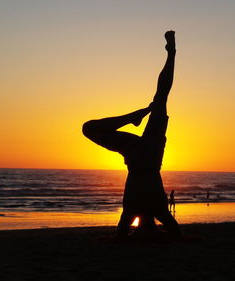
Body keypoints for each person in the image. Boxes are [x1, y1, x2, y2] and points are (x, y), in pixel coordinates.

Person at [82, 31, 182, 239]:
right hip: (146, 156)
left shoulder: (137, 211)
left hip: (139, 155)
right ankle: (171, 55)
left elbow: (120, 237)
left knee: (88, 128)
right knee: (161, 97)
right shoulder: (156, 211)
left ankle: (134, 116)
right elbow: (176, 234)